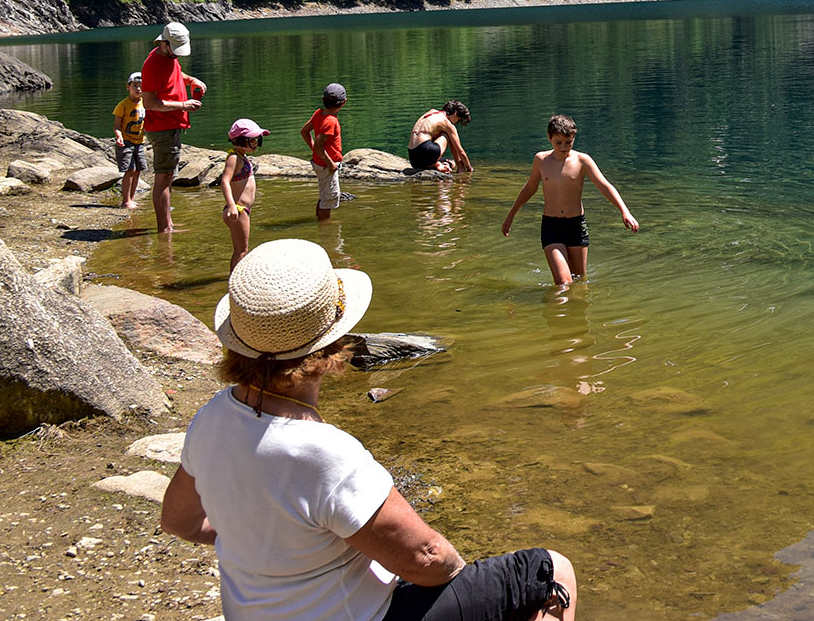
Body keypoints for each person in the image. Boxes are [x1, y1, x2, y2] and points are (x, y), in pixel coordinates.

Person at [160, 239, 578, 621]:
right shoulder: (324, 451)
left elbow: (178, 521)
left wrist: (266, 547)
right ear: (330, 344)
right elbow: (428, 558)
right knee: (549, 570)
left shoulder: (212, 417)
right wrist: (460, 577)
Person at [501, 114, 640, 287]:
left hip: (576, 226)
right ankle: (560, 312)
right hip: (551, 226)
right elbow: (529, 188)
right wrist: (511, 215)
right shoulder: (541, 160)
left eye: (569, 142)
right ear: (549, 138)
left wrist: (624, 211)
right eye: (558, 142)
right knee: (563, 283)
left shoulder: (582, 160)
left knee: (579, 280)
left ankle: (577, 313)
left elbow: (605, 186)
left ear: (574, 137)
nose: (564, 147)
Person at [140, 21, 206, 235]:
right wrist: (184, 105)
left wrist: (192, 81)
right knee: (164, 178)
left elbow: (177, 76)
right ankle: (164, 228)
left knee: (167, 177)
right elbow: (149, 103)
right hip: (162, 128)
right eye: (175, 49)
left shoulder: (169, 57)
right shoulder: (152, 64)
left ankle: (167, 222)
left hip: (170, 126)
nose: (177, 54)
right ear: (165, 44)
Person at [221, 119, 268, 273]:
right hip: (238, 210)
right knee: (241, 250)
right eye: (252, 140)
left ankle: (236, 278)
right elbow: (225, 181)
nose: (256, 143)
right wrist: (232, 206)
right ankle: (235, 281)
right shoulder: (234, 158)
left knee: (242, 249)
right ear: (239, 139)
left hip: (241, 210)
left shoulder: (241, 156)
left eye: (257, 140)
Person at [300, 83, 347, 222]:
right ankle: (325, 229)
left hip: (320, 162)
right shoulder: (331, 121)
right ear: (343, 103)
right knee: (328, 199)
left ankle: (319, 220)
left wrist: (314, 149)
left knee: (324, 196)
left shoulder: (319, 113)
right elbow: (320, 145)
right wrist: (330, 163)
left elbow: (304, 132)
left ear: (323, 100)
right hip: (326, 165)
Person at [407, 101, 473, 174]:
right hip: (426, 151)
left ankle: (438, 165)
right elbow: (461, 152)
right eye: (458, 120)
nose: (455, 123)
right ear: (455, 114)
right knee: (448, 134)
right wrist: (469, 167)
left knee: (450, 162)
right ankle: (460, 167)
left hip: (413, 158)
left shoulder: (431, 112)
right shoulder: (447, 123)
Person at [112, 71, 146, 210]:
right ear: (128, 87)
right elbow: (116, 125)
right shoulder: (123, 105)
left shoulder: (146, 103)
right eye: (135, 85)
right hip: (126, 141)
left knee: (138, 170)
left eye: (141, 86)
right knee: (129, 170)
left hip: (140, 141)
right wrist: (118, 136)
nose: (138, 89)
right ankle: (125, 201)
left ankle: (132, 199)